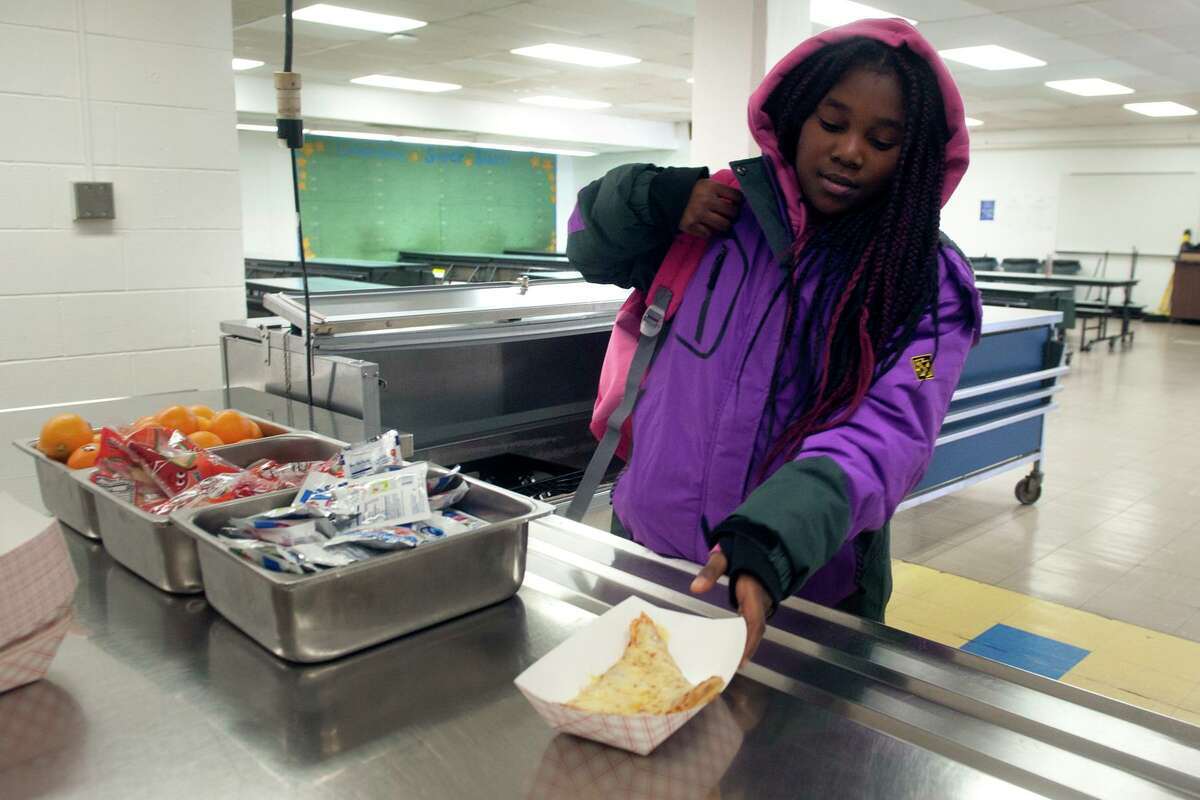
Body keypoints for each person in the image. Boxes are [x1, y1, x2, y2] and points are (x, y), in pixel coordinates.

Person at [566, 19, 981, 663]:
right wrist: (652, 197)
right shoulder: (714, 215)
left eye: (882, 139)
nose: (850, 151)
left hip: (799, 591)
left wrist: (775, 541)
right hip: (646, 558)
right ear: (794, 117)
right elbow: (586, 240)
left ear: (915, 154)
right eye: (832, 123)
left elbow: (894, 427)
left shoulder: (923, 280)